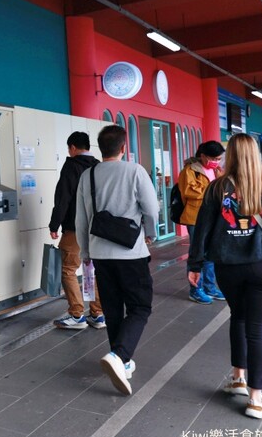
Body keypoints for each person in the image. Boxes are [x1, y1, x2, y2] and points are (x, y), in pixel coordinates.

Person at [188, 133, 262, 419]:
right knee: (257, 328)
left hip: (228, 267)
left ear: (232, 156)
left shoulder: (216, 188)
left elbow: (202, 231)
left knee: (238, 316)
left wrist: (195, 265)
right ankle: (256, 399)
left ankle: (238, 377)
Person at [75, 125, 158, 396]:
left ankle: (122, 360)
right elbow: (151, 209)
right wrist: (151, 234)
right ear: (124, 148)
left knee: (112, 308)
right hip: (131, 253)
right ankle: (119, 356)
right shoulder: (135, 171)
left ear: (101, 148)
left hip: (100, 254)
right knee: (140, 307)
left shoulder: (88, 176)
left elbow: (82, 219)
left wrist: (86, 253)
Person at [48, 131, 105, 331]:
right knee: (94, 268)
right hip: (98, 228)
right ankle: (98, 314)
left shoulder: (72, 165)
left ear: (72, 147)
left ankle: (77, 315)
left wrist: (54, 225)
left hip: (75, 228)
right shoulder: (99, 166)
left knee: (68, 269)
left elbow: (63, 198)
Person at [177, 141, 226, 304]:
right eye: (213, 158)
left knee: (210, 254)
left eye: (219, 159)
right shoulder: (190, 171)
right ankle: (195, 289)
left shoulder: (216, 170)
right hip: (195, 217)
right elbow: (187, 191)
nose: (216, 162)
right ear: (203, 155)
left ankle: (210, 287)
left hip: (213, 216)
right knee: (197, 253)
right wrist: (213, 188)